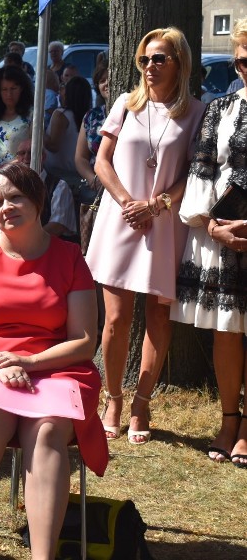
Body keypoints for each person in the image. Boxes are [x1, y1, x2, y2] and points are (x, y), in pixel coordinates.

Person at [0, 162, 108, 560]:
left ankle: (43, 556)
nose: (6, 207)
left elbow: (84, 340)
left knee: (49, 428)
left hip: (55, 365)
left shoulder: (70, 258)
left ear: (38, 200)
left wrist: (29, 362)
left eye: (15, 197)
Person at [88, 27, 205, 445]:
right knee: (117, 319)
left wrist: (155, 206)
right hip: (120, 218)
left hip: (164, 223)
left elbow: (194, 174)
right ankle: (113, 398)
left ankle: (142, 400)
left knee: (158, 315)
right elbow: (101, 162)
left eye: (159, 59)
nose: (150, 67)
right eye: (145, 59)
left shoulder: (195, 112)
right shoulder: (125, 104)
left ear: (180, 64)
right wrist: (126, 202)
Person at [170, 17, 247, 467]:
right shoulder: (220, 110)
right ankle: (229, 419)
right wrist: (211, 225)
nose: (245, 68)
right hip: (222, 236)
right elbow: (201, 171)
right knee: (227, 332)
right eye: (240, 61)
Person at [13, 131, 78, 239]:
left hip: (53, 249)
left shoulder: (59, 186)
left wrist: (27, 241)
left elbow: (57, 226)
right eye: (22, 153)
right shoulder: (13, 187)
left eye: (31, 152)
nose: (26, 157)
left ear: (43, 157)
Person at [0, 65, 34, 174]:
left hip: (22, 176)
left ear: (22, 89)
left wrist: (7, 173)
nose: (9, 94)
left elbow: (32, 151)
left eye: (13, 88)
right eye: (4, 89)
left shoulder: (32, 114)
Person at [44, 75, 91, 191]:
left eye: (64, 87)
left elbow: (53, 146)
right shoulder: (90, 116)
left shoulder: (61, 114)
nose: (60, 90)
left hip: (57, 175)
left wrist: (37, 129)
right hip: (79, 173)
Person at [74, 63, 110, 208]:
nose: (107, 83)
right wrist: (94, 180)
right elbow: (80, 158)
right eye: (102, 80)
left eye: (110, 78)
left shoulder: (134, 114)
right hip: (98, 191)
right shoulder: (91, 117)